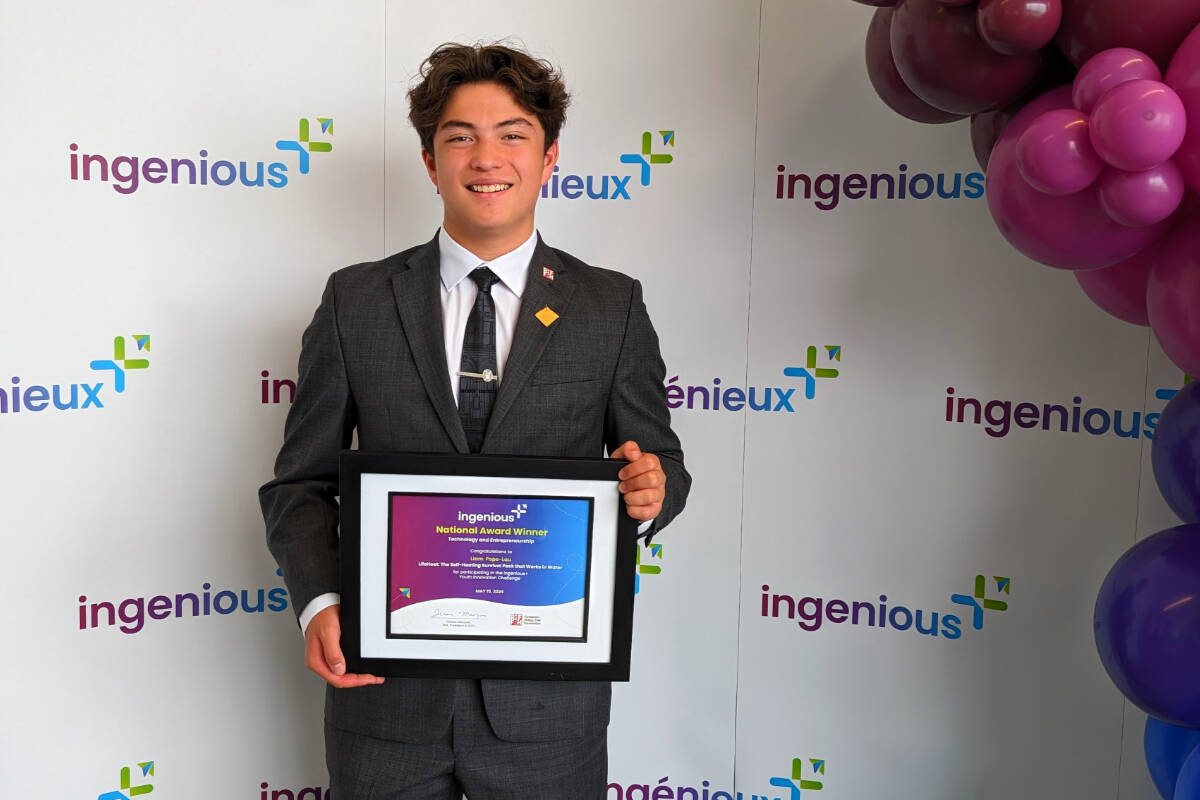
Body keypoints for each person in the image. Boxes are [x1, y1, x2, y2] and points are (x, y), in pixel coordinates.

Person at [259, 41, 690, 799]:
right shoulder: (354, 302)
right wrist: (321, 604)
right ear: (430, 162)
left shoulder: (611, 306)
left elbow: (659, 464)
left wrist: (655, 490)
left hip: (548, 712)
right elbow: (299, 484)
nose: (486, 157)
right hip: (384, 699)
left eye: (512, 134)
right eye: (460, 136)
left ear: (549, 157)